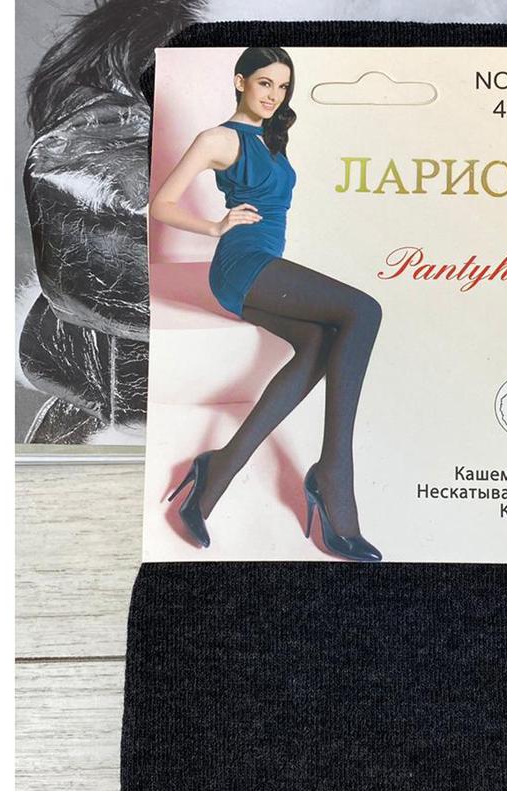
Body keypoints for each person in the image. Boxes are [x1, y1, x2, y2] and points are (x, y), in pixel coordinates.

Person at [149, 46, 383, 562]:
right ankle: (334, 473)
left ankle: (219, 469)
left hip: (263, 267)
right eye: (264, 83)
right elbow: (160, 204)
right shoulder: (218, 138)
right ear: (240, 81)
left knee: (320, 341)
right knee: (364, 311)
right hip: (241, 265)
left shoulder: (272, 136)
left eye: (283, 87)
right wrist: (214, 226)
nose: (274, 95)